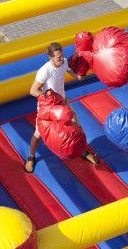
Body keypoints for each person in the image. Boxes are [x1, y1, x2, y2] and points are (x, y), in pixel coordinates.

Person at [25, 42, 98, 173]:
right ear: (50, 57)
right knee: (39, 133)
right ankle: (31, 157)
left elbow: (72, 73)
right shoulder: (45, 70)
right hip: (49, 106)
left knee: (76, 125)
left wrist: (79, 75)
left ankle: (82, 150)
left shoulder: (64, 62)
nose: (61, 58)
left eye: (62, 55)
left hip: (62, 102)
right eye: (58, 56)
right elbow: (33, 90)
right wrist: (47, 97)